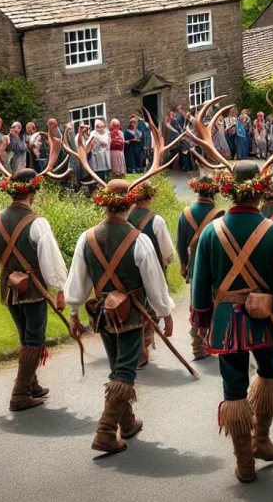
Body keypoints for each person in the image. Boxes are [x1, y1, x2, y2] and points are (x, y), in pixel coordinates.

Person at [189, 162, 273, 484]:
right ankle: (261, 440)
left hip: (226, 323)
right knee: (270, 373)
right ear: (260, 189)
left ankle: (244, 463)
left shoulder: (212, 232)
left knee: (234, 387)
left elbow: (200, 284)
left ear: (229, 189)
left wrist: (201, 320)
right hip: (265, 321)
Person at [64, 178, 175, 455]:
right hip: (131, 314)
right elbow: (154, 280)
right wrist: (164, 312)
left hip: (102, 315)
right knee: (125, 371)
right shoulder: (140, 239)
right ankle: (104, 432)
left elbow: (77, 282)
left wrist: (74, 313)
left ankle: (127, 423)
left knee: (117, 367)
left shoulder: (86, 237)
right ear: (129, 203)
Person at [0, 166, 68, 411]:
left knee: (25, 336)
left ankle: (32, 384)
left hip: (9, 288)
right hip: (33, 288)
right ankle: (20, 394)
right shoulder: (38, 223)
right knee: (34, 338)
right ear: (32, 193)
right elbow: (51, 259)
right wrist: (60, 289)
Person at [176, 174, 225, 360]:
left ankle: (197, 346)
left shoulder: (186, 213)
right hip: (215, 266)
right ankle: (212, 341)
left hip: (194, 266)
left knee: (197, 303)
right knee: (215, 302)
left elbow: (181, 243)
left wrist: (183, 264)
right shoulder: (220, 214)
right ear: (214, 192)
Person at [127, 180, 175, 369]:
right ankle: (141, 350)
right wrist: (162, 266)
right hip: (150, 271)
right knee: (150, 310)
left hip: (127, 272)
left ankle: (136, 349)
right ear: (150, 198)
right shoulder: (156, 220)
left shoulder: (124, 217)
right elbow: (167, 252)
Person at [89, 120, 111, 186]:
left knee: (107, 174)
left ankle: (107, 184)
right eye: (98, 127)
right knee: (99, 174)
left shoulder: (107, 133)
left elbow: (109, 143)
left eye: (102, 126)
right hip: (96, 157)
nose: (101, 128)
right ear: (95, 127)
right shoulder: (92, 133)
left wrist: (106, 145)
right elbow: (92, 145)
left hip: (105, 155)